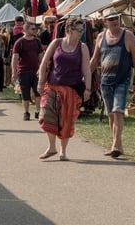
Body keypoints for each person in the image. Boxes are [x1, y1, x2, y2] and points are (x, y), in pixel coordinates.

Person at [90, 8, 135, 158]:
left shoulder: (128, 36)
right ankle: (118, 145)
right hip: (105, 82)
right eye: (111, 19)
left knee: (118, 111)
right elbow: (94, 60)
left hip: (122, 81)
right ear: (105, 22)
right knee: (111, 115)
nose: (114, 21)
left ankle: (115, 145)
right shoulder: (100, 37)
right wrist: (85, 76)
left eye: (116, 18)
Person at [37, 17, 91, 161]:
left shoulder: (82, 47)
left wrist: (88, 89)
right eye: (79, 29)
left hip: (71, 89)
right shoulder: (56, 43)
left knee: (66, 120)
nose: (81, 32)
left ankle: (63, 151)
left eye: (82, 29)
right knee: (46, 116)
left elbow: (86, 69)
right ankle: (51, 147)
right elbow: (43, 63)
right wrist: (40, 82)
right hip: (52, 86)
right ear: (69, 30)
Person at [12, 21, 44, 120]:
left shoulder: (37, 41)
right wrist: (14, 72)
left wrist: (42, 68)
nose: (35, 30)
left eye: (35, 29)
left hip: (36, 71)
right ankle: (26, 112)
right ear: (25, 29)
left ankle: (38, 111)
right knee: (25, 93)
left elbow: (41, 56)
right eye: (33, 29)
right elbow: (15, 57)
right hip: (23, 71)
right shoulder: (19, 42)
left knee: (38, 91)